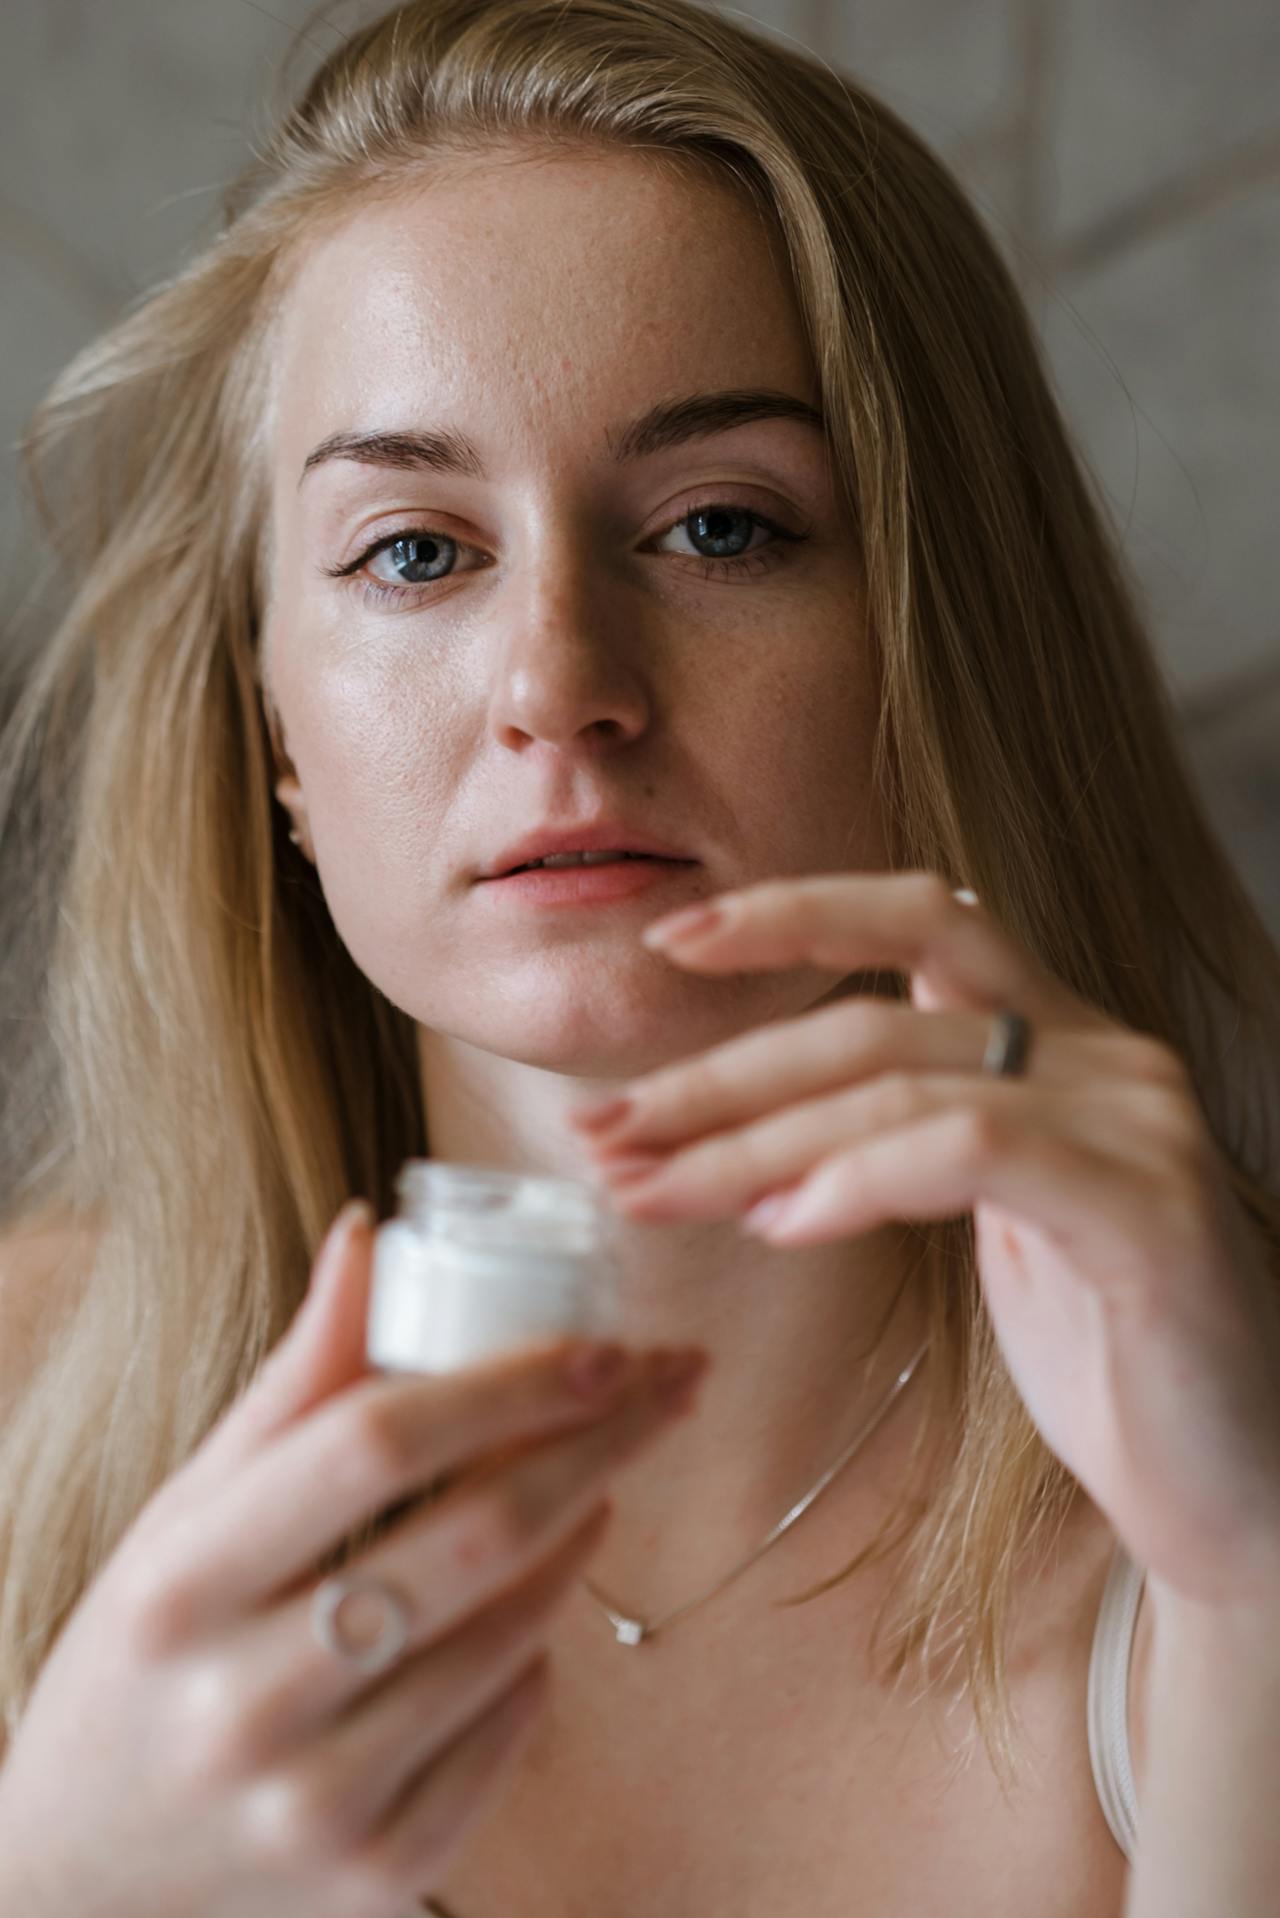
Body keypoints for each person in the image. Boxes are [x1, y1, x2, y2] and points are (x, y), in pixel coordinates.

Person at [1, 2, 1278, 1914]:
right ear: (275, 728)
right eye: (417, 553)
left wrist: (1253, 1571)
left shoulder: (1231, 1430)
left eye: (717, 524)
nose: (558, 690)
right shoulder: (17, 1412)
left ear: (944, 637)